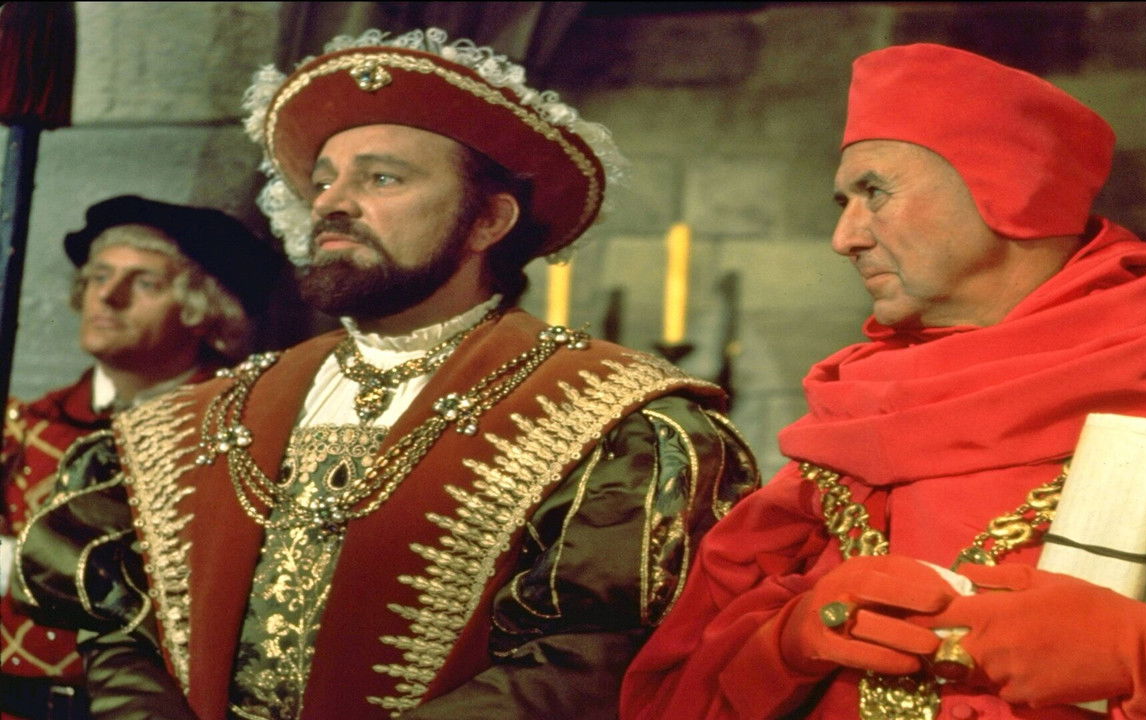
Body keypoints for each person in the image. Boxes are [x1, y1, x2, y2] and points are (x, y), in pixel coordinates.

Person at [17, 27, 758, 720]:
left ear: (488, 222)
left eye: (382, 178)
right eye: (324, 181)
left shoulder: (610, 418)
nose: (332, 204)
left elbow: (584, 661)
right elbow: (123, 625)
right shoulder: (211, 411)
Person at [620, 43, 1146, 720]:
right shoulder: (853, 423)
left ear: (1011, 190)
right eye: (843, 201)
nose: (844, 238)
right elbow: (677, 691)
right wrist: (783, 644)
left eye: (874, 192)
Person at [2, 195, 281, 720]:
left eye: (146, 283)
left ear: (203, 311)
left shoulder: (242, 437)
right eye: (99, 275)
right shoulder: (25, 425)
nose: (108, 296)